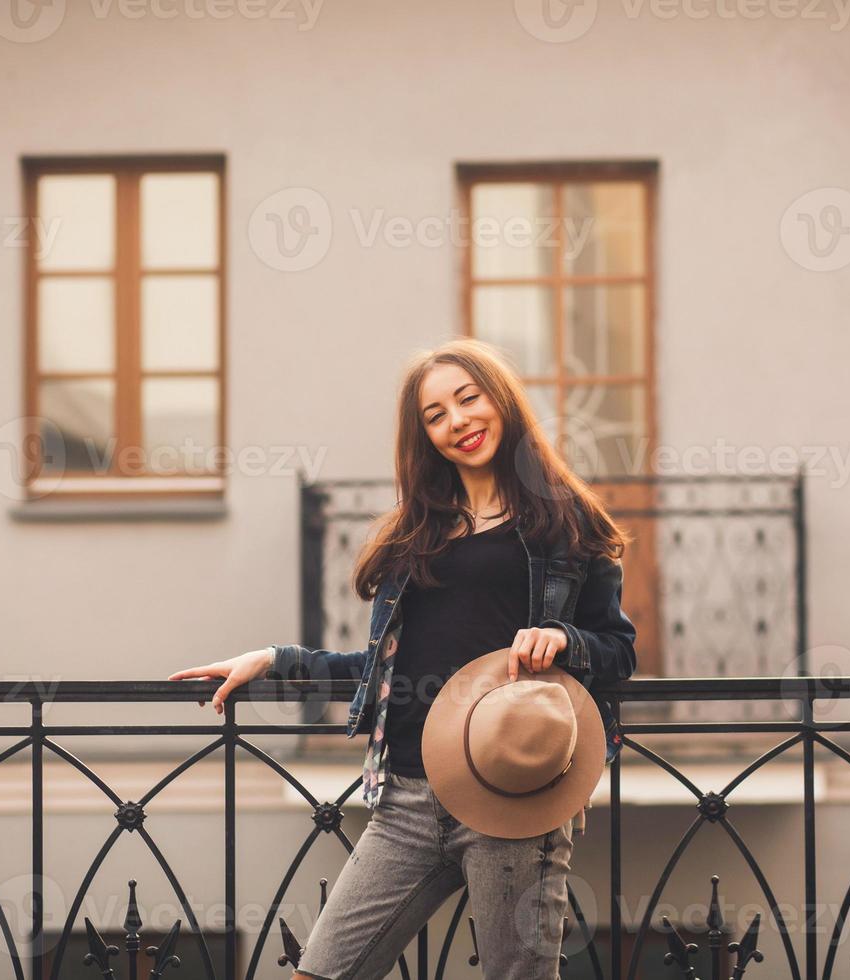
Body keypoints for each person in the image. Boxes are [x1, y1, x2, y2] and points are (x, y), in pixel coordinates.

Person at [168, 337, 638, 979]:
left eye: (468, 400)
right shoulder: (416, 533)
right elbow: (385, 671)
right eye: (436, 415)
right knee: (321, 971)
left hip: (513, 802)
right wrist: (276, 660)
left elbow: (619, 652)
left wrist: (565, 641)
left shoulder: (567, 524)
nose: (458, 423)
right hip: (406, 797)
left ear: (502, 401)